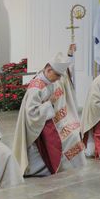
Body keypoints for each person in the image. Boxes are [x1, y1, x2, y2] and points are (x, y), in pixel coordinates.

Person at [13, 45, 86, 176]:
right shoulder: (36, 88)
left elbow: (67, 73)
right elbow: (32, 114)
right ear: (48, 70)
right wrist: (49, 104)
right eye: (57, 75)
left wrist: (70, 55)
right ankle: (60, 166)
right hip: (41, 127)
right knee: (71, 136)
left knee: (75, 132)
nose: (59, 78)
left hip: (56, 121)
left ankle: (75, 167)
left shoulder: (53, 78)